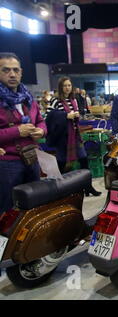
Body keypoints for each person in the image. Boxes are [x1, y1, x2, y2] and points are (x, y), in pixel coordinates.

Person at [0, 52, 47, 214]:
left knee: (33, 206)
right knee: (7, 210)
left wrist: (41, 130)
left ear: (21, 72)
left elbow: (40, 120)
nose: (12, 74)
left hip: (32, 159)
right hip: (7, 163)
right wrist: (17, 131)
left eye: (15, 70)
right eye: (6, 70)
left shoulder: (28, 97)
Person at [45, 76, 101, 197]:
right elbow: (48, 117)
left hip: (75, 136)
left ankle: (88, 187)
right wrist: (65, 116)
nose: (67, 88)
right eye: (65, 85)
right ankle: (58, 190)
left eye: (69, 85)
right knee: (61, 163)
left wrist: (76, 115)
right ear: (60, 87)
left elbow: (75, 117)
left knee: (84, 160)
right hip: (62, 138)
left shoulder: (74, 100)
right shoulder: (55, 101)